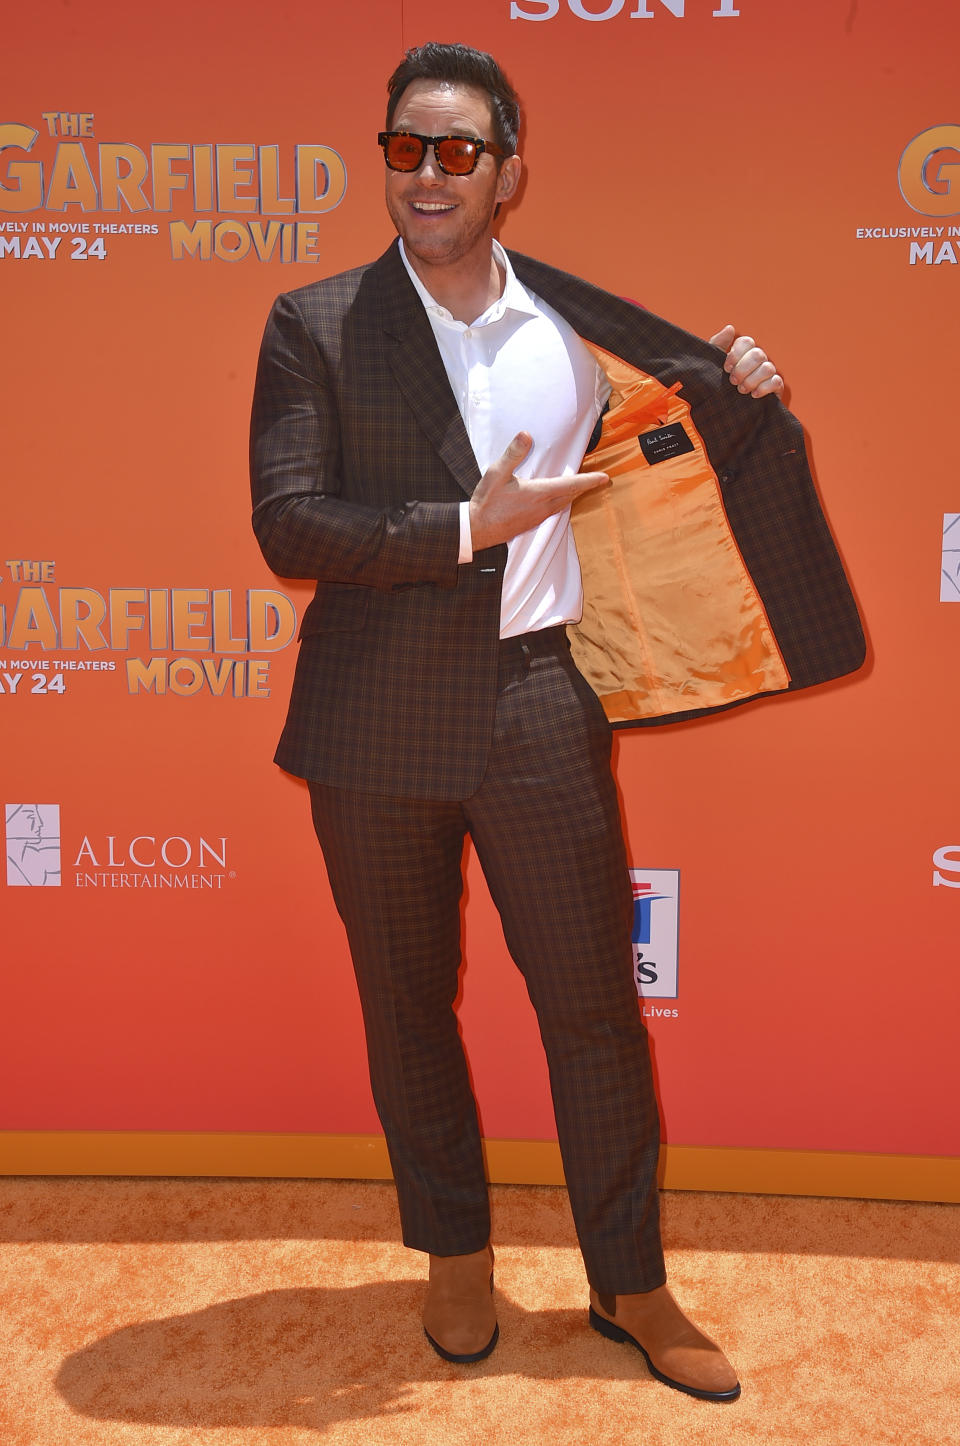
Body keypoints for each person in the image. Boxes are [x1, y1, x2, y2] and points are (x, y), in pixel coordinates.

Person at [250, 42, 863, 1403]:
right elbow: (288, 520)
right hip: (374, 721)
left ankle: (628, 1280)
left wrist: (738, 380)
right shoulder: (319, 322)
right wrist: (468, 525)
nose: (427, 172)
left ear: (510, 171)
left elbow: (680, 429)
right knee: (409, 1007)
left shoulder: (572, 328)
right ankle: (454, 1252)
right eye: (405, 145)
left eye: (458, 150)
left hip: (539, 702)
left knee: (593, 1008)